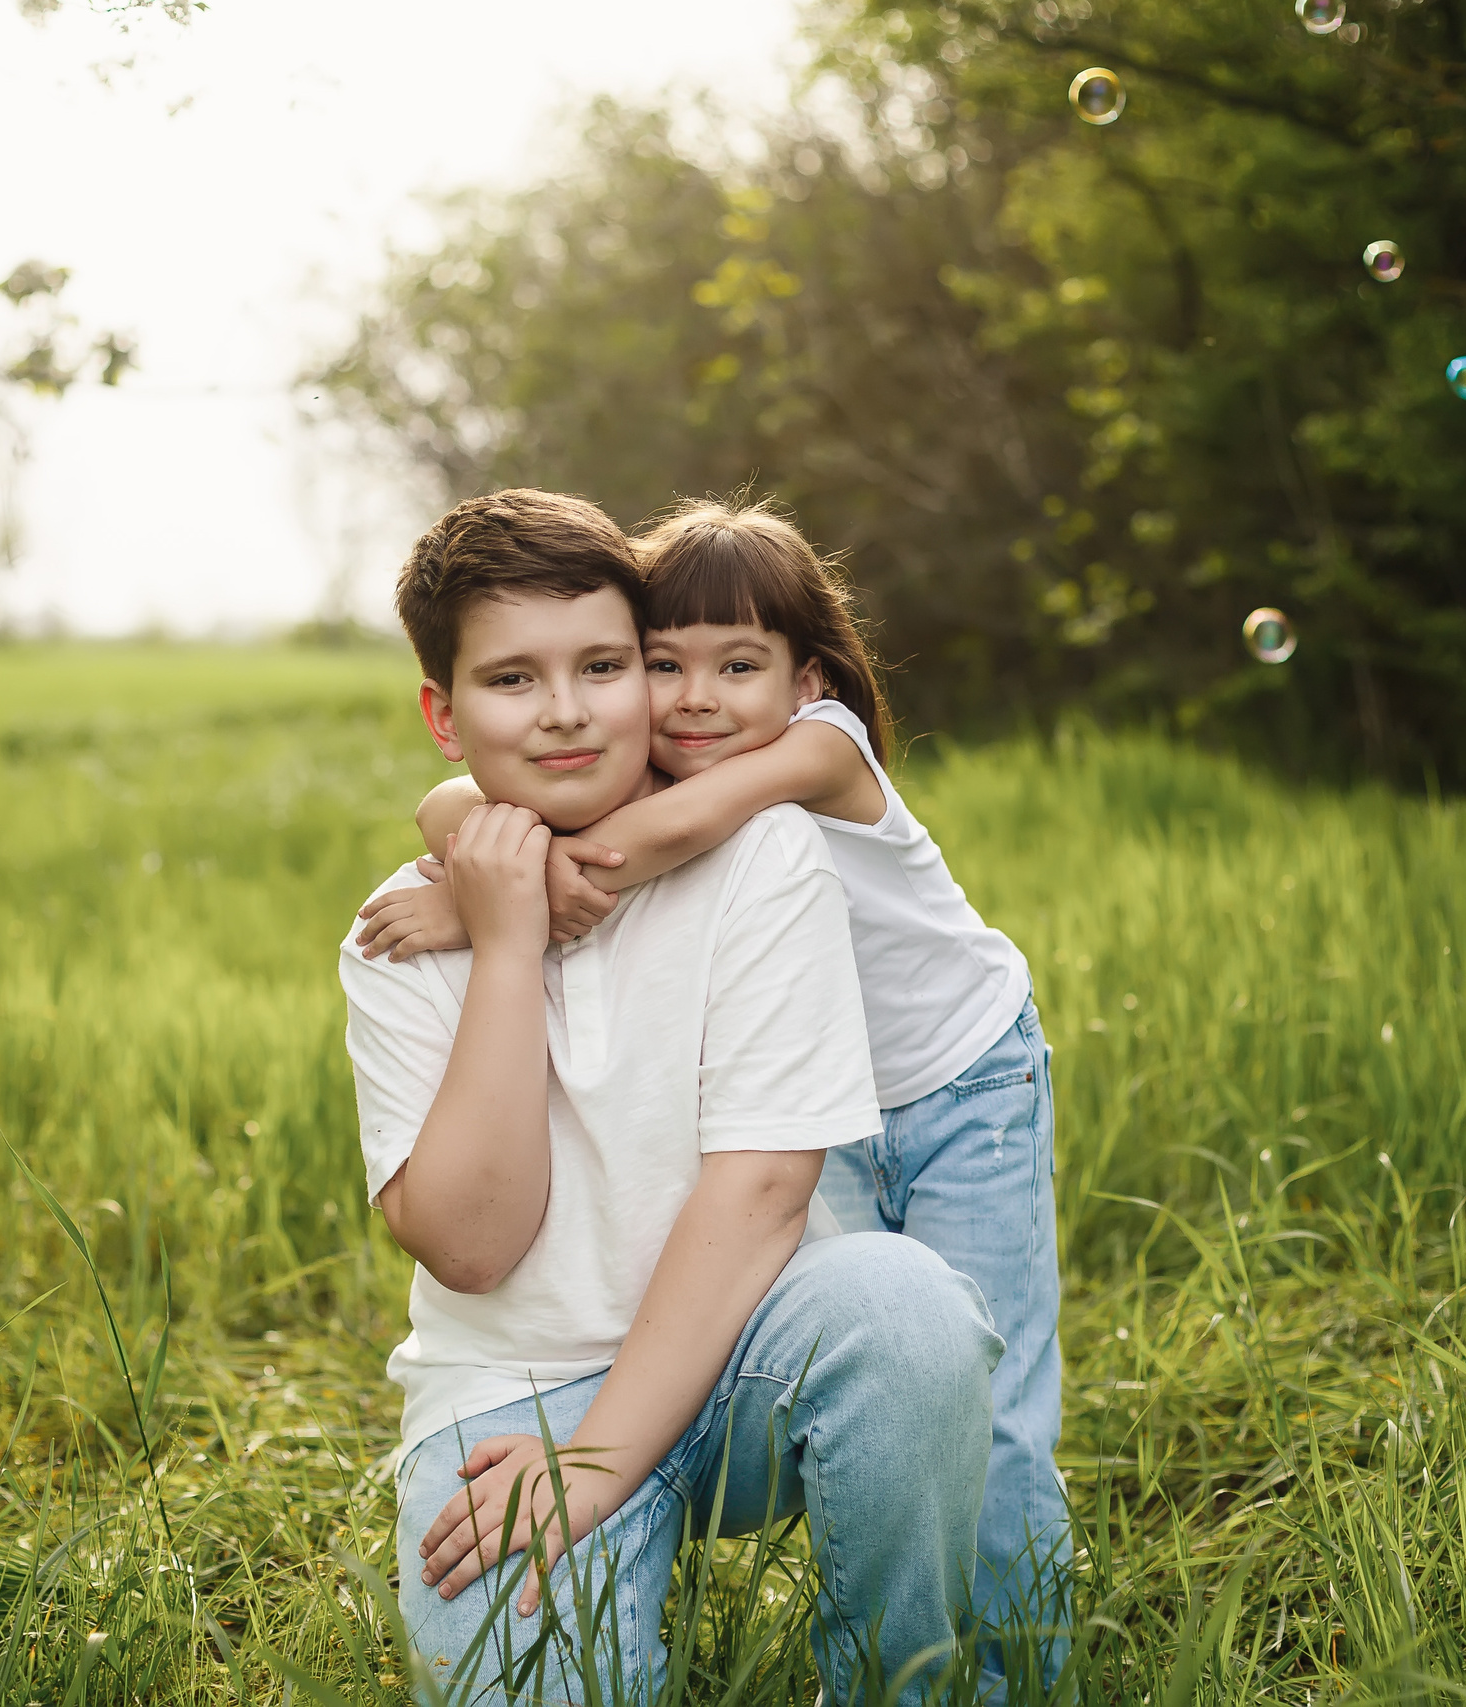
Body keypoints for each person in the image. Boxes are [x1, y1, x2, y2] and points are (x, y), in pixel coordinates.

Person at [358, 497, 1070, 1690]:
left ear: (804, 678)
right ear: (446, 712)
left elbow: (758, 1199)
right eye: (517, 681)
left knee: (947, 1352)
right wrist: (495, 915)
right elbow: (470, 1248)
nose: (580, 709)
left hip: (937, 1103)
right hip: (525, 1388)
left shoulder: (780, 807)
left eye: (602, 666)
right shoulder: (409, 921)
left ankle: (986, 1674)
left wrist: (508, 884)